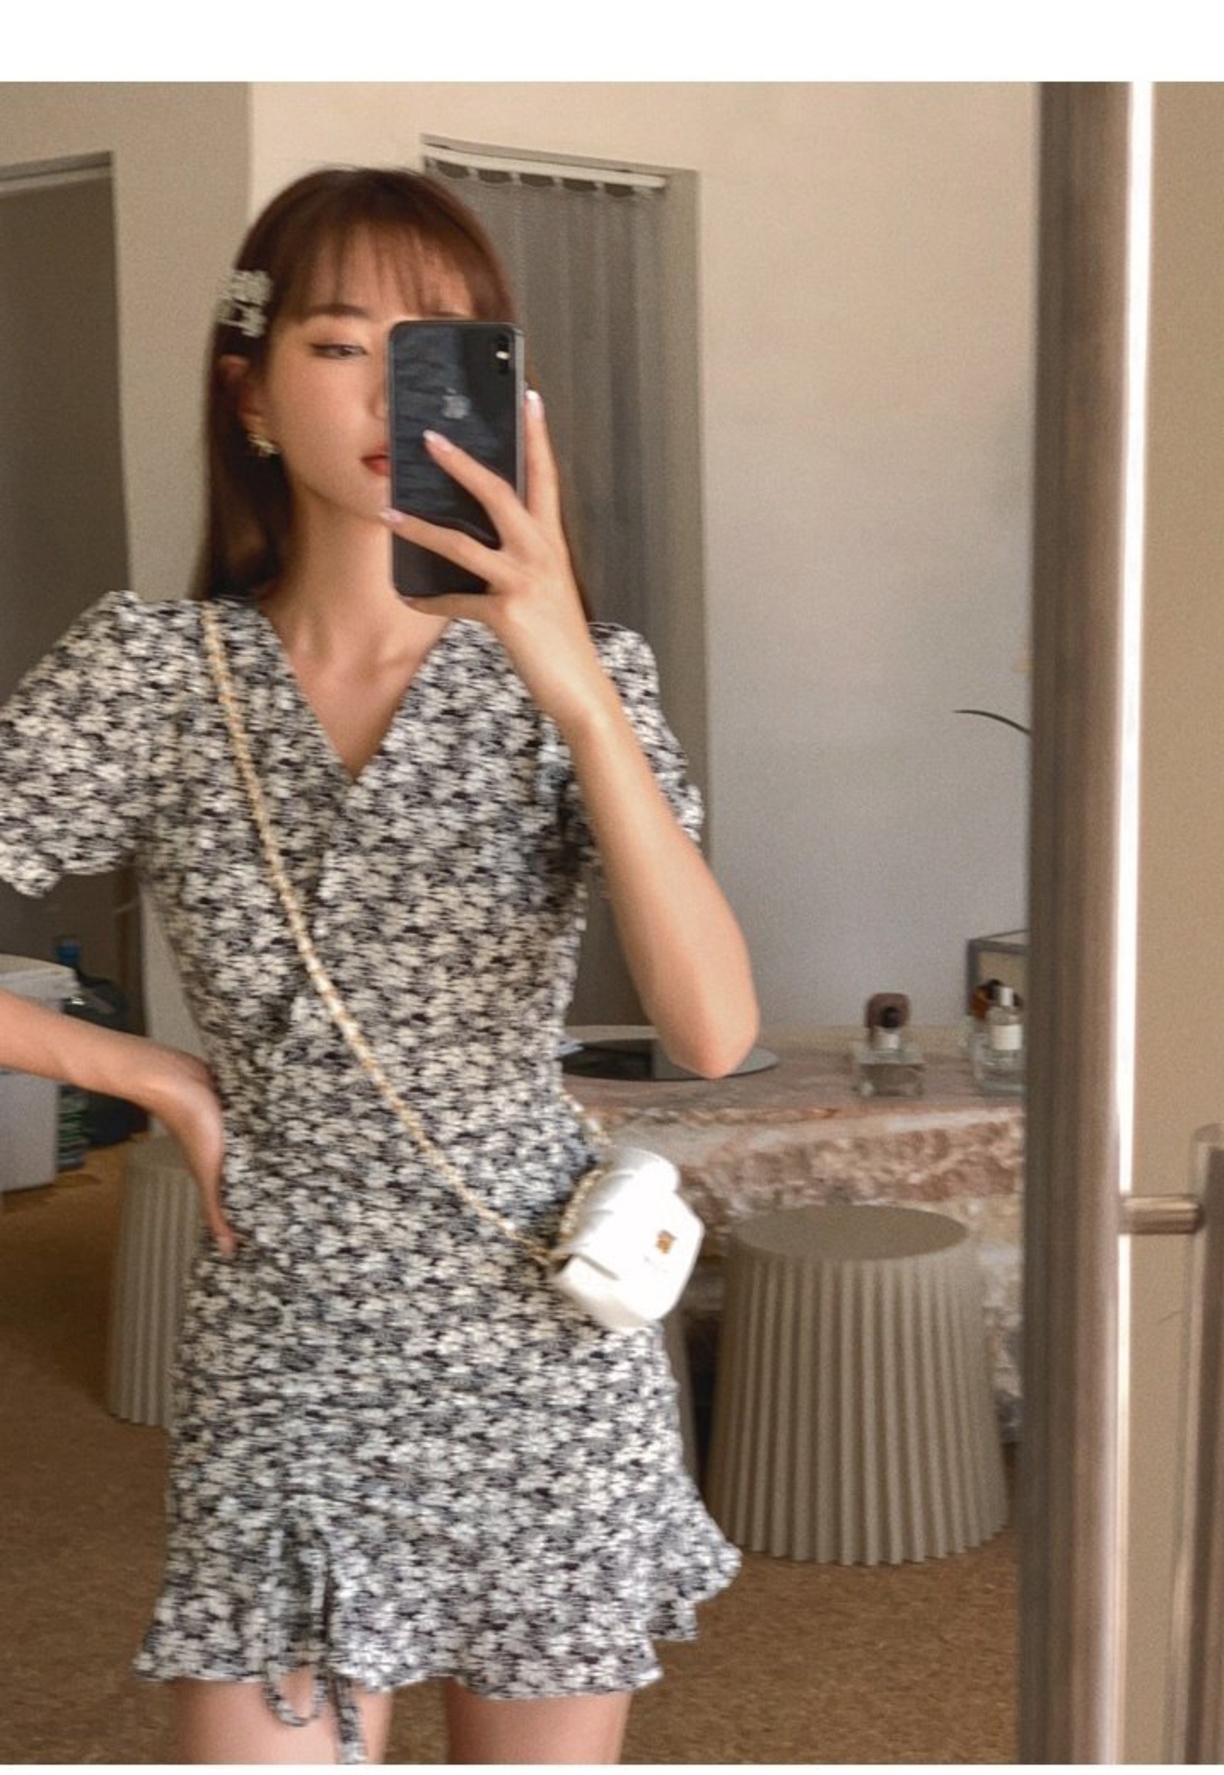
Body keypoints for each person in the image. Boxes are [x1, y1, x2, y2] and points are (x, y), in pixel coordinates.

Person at [0, 166, 759, 1765]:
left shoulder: (585, 682)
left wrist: (569, 681)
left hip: (541, 1333)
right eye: (342, 344)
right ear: (251, 393)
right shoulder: (153, 673)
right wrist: (137, 1072)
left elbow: (709, 1028)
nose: (386, 393)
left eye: (441, 351)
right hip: (288, 1340)